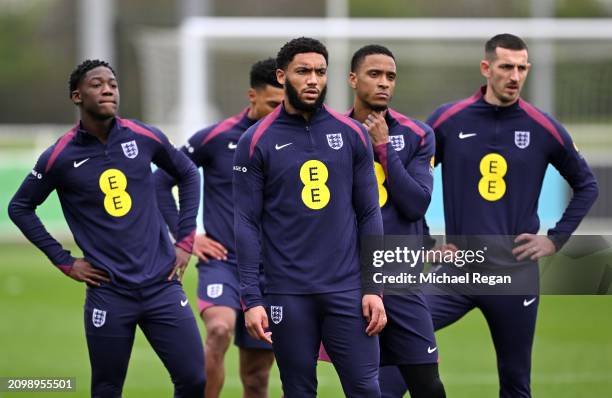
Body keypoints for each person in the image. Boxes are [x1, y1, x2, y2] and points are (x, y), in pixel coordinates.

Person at [8, 59, 205, 397]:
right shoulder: (60, 156)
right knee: (107, 388)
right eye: (97, 84)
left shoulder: (144, 137)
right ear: (77, 96)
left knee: (194, 379)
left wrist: (185, 240)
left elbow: (187, 172)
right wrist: (64, 260)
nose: (108, 89)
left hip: (163, 285)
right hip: (110, 293)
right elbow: (20, 207)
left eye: (112, 83)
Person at [422, 34, 599, 398]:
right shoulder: (447, 119)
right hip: (458, 270)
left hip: (514, 274)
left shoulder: (543, 126)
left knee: (516, 384)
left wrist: (555, 238)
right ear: (487, 68)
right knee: (399, 344)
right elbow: (410, 181)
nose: (514, 75)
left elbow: (587, 185)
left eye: (521, 68)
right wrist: (423, 241)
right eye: (506, 67)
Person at [233, 37, 387, 398]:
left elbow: (369, 213)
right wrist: (252, 300)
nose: (313, 79)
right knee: (299, 390)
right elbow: (246, 224)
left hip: (348, 290)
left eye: (320, 71)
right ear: (282, 75)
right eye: (303, 71)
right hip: (288, 294)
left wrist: (373, 288)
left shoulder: (351, 134)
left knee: (367, 389)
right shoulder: (255, 141)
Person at [154, 58, 283, 398]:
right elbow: (161, 180)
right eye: (271, 104)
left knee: (256, 378)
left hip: (272, 270)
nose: (277, 113)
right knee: (219, 330)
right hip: (223, 263)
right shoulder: (215, 137)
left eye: (283, 106)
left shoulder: (294, 140)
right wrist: (187, 236)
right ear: (251, 96)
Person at [344, 44, 446, 398]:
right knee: (364, 389)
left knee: (428, 386)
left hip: (401, 279)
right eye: (374, 74)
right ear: (353, 80)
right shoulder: (332, 135)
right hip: (348, 279)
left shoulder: (418, 134)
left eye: (390, 76)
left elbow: (416, 203)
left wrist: (384, 148)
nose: (384, 83)